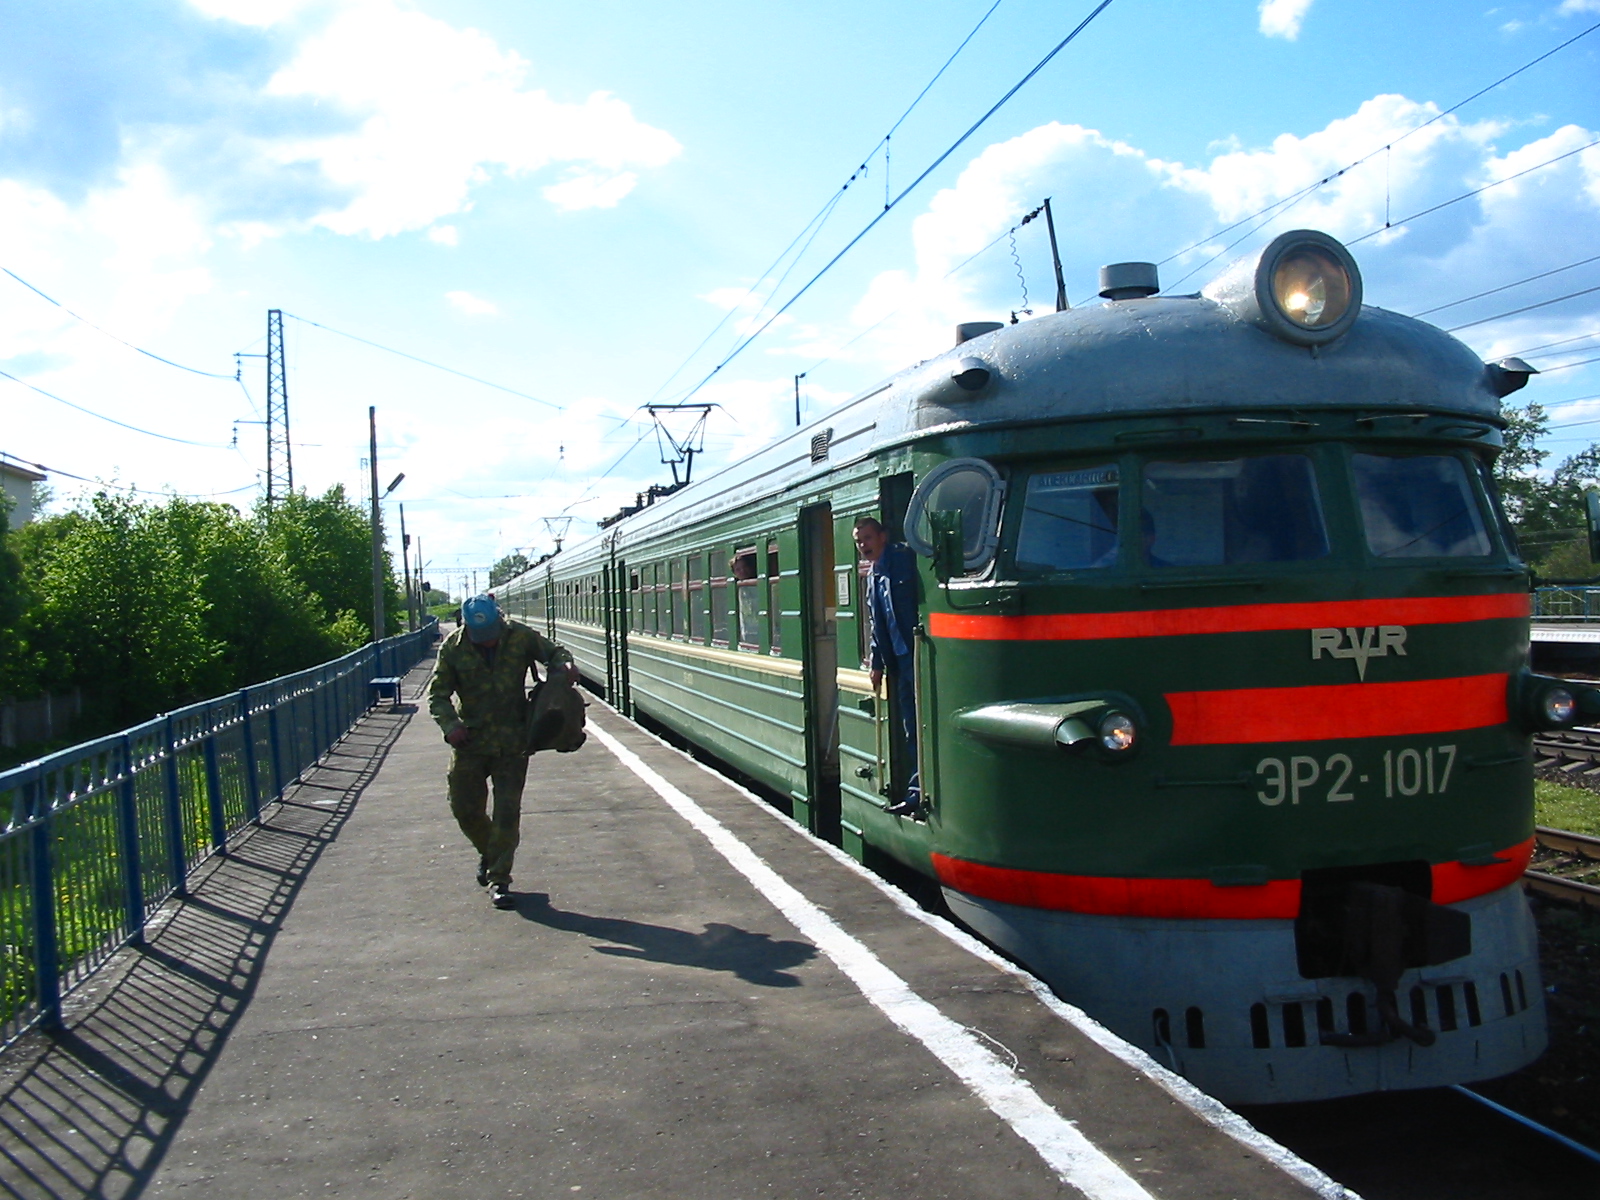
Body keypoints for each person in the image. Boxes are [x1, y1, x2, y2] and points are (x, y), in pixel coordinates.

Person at [428, 594, 576, 909]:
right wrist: (450, 725)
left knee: (507, 812)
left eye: (491, 635)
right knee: (464, 808)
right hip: (470, 741)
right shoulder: (452, 649)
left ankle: (500, 880)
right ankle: (489, 852)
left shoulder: (520, 636)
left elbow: (555, 652)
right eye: (480, 637)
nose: (487, 642)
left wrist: (563, 665)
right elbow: (437, 695)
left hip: (514, 741)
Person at [853, 516, 921, 817]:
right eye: (858, 541)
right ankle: (917, 792)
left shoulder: (905, 560)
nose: (863, 545)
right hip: (899, 661)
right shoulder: (874, 576)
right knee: (911, 729)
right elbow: (876, 623)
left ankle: (922, 794)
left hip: (918, 656)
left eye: (867, 538)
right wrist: (877, 663)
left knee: (921, 727)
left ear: (883, 536)